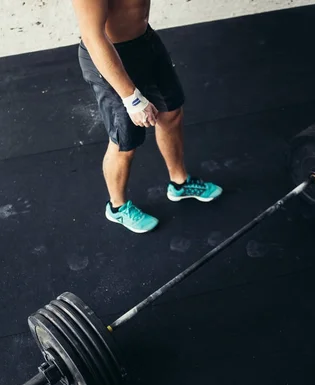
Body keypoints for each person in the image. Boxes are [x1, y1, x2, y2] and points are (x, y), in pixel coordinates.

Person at [72, 0, 222, 233]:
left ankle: (180, 183)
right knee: (125, 141)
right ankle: (118, 208)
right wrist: (130, 97)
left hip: (145, 42)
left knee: (171, 114)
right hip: (108, 56)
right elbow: (93, 37)